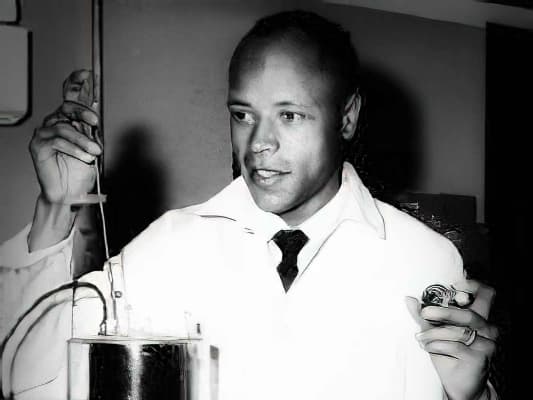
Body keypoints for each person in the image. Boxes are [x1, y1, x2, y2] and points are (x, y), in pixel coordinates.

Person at [0, 10, 498, 400]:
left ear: (346, 118)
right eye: (243, 114)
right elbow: (28, 376)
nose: (258, 143)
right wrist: (56, 206)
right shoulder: (171, 245)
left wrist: (473, 394)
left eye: (290, 115)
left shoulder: (424, 259)